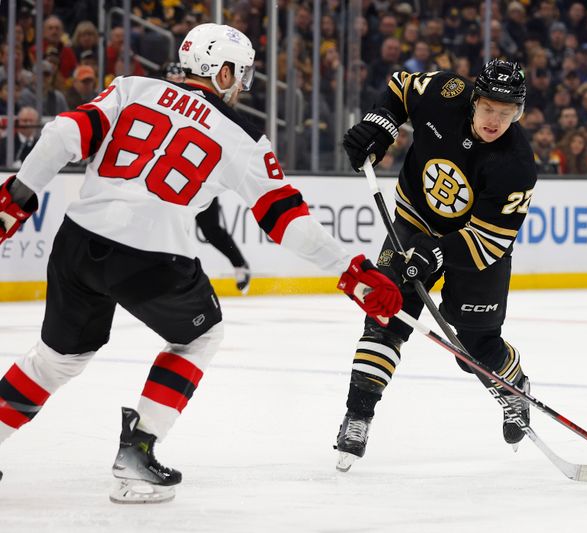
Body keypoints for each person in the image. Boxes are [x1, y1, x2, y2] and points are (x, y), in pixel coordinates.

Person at [0, 23, 402, 502]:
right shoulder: (244, 137)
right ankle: (138, 451)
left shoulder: (133, 87)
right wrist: (351, 270)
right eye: (241, 73)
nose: (242, 84)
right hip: (151, 256)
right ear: (223, 70)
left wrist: (16, 199)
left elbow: (62, 133)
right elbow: (286, 221)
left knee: (54, 360)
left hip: (78, 241)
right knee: (200, 334)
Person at [335, 59, 537, 471]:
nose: (495, 120)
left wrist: (438, 252)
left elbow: (489, 240)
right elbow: (400, 86)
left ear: (518, 113)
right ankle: (358, 416)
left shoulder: (516, 165)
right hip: (414, 221)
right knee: (385, 315)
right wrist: (379, 125)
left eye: (506, 112)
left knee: (474, 349)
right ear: (474, 100)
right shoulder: (444, 93)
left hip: (472, 246)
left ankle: (514, 386)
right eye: (488, 108)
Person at [164, 61, 252, 293]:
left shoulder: (208, 106)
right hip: (168, 177)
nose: (176, 86)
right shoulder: (161, 101)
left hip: (197, 178)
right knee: (169, 228)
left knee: (211, 229)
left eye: (178, 81)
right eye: (171, 82)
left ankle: (240, 264)